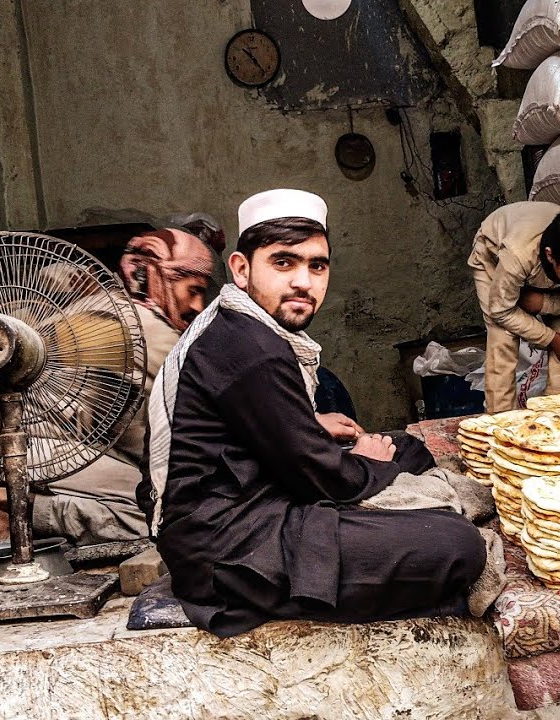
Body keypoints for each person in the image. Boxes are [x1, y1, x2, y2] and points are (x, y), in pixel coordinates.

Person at [146, 188, 486, 638]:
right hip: (227, 546)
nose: (304, 281)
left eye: (317, 265)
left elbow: (253, 423)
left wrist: (313, 428)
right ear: (242, 269)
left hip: (249, 493)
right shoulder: (251, 347)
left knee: (409, 450)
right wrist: (366, 462)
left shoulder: (236, 323)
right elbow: (322, 478)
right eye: (283, 263)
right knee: (456, 545)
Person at [0, 228, 214, 545]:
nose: (199, 306)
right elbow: (159, 436)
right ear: (154, 276)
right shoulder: (150, 332)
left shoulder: (99, 306)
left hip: (2, 442)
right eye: (193, 290)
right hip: (39, 447)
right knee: (153, 511)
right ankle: (18, 508)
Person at [468, 202, 560, 412]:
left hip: (553, 282)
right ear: (550, 256)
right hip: (494, 257)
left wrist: (542, 302)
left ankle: (555, 421)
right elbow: (501, 311)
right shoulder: (518, 254)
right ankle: (500, 423)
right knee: (503, 340)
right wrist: (552, 338)